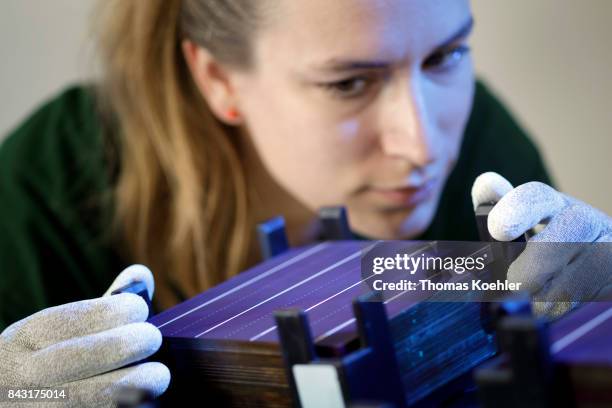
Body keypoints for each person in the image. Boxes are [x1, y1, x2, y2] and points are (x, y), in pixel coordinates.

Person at [0, 0, 609, 406]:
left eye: (444, 56)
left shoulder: (483, 147)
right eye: (348, 83)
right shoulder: (50, 183)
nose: (421, 145)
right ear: (218, 80)